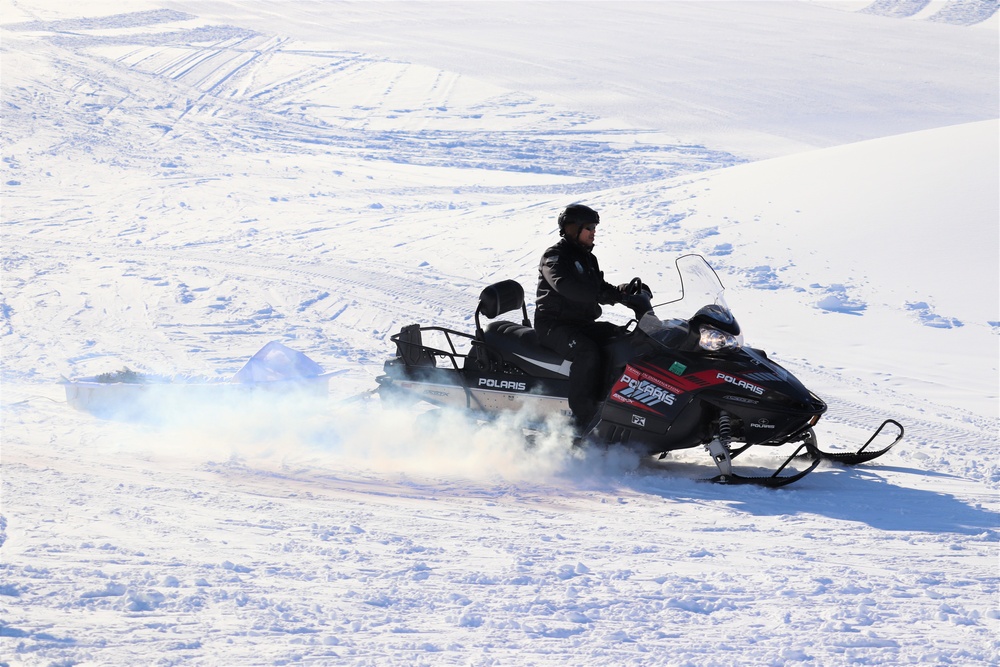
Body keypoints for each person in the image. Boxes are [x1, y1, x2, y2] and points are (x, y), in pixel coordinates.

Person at [534, 204, 634, 436]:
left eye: (594, 227)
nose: (593, 232)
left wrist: (624, 293)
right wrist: (599, 294)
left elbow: (599, 287)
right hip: (553, 325)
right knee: (586, 352)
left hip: (581, 324)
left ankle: (619, 405)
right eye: (588, 227)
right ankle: (583, 421)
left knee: (622, 338)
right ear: (572, 229)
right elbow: (565, 286)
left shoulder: (588, 259)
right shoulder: (554, 257)